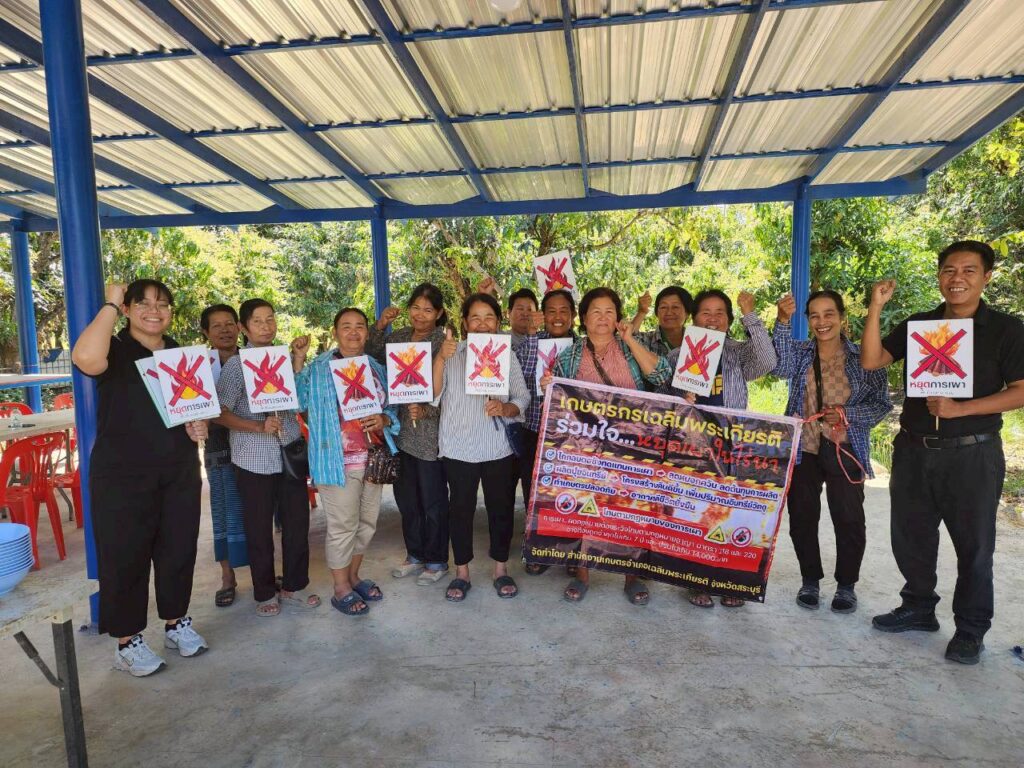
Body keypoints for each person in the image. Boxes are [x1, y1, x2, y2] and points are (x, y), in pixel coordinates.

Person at [861, 240, 1024, 665]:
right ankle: (918, 607)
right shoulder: (922, 324)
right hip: (914, 450)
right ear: (939, 276)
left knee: (975, 546)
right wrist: (875, 307)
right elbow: (872, 360)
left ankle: (971, 629)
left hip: (972, 454)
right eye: (949, 270)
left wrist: (961, 409)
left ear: (987, 277)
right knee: (911, 536)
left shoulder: (1007, 330)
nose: (958, 279)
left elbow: (1021, 391)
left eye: (969, 271)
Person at [71, 280, 209, 677]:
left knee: (178, 548)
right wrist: (111, 302)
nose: (154, 311)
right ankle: (127, 642)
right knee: (125, 556)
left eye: (163, 304)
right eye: (143, 303)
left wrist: (199, 424)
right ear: (128, 310)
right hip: (122, 474)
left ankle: (176, 623)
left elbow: (195, 407)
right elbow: (85, 359)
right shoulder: (113, 349)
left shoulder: (180, 353)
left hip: (178, 469)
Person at [544, 287, 673, 605]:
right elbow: (557, 402)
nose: (602, 318)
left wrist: (630, 339)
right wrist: (549, 386)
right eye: (596, 312)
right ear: (584, 318)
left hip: (632, 445)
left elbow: (662, 375)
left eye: (609, 312)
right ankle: (582, 574)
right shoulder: (569, 356)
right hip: (586, 448)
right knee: (585, 510)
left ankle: (632, 576)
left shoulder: (632, 347)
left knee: (631, 511)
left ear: (618, 318)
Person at [773, 290, 891, 613]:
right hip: (804, 447)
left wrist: (846, 414)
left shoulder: (865, 357)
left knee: (849, 518)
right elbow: (779, 367)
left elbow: (881, 404)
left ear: (842, 317)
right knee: (802, 516)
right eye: (814, 315)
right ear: (808, 320)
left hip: (846, 448)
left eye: (829, 314)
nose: (822, 322)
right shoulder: (801, 353)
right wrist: (782, 321)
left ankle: (846, 586)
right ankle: (809, 580)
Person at [662, 288, 777, 608]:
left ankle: (730, 582)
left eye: (720, 313)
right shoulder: (677, 356)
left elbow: (767, 361)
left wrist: (750, 314)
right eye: (705, 313)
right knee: (696, 512)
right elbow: (661, 398)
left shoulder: (738, 353)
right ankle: (695, 580)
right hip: (693, 446)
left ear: (728, 320)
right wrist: (680, 398)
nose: (712, 319)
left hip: (733, 445)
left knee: (731, 512)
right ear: (693, 318)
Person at [215, 299, 320, 617]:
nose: (266, 326)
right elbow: (219, 412)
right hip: (252, 458)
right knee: (258, 528)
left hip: (289, 452)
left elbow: (301, 402)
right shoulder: (236, 366)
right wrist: (257, 426)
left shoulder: (284, 360)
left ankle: (294, 586)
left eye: (270, 319)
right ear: (244, 328)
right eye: (257, 321)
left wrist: (298, 360)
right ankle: (264, 592)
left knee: (297, 523)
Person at [295, 307, 400, 616]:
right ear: (335, 332)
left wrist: (383, 419)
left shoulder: (376, 368)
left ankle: (354, 577)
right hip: (335, 460)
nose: (353, 332)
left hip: (372, 460)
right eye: (346, 326)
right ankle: (340, 587)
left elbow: (393, 408)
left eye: (359, 326)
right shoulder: (319, 368)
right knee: (343, 526)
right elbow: (298, 401)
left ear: (367, 332)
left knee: (366, 524)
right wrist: (298, 360)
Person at [432, 293, 531, 602]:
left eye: (489, 317)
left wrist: (505, 408)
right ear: (465, 323)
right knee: (460, 510)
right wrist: (440, 359)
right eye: (475, 317)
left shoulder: (506, 355)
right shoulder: (451, 353)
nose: (482, 323)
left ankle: (500, 568)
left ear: (498, 322)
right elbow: (432, 395)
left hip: (496, 447)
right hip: (458, 447)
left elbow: (522, 397)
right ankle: (462, 572)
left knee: (500, 509)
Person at [367, 283, 451, 586]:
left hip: (431, 435)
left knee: (433, 502)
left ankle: (437, 560)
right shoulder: (399, 338)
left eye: (428, 309)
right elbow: (370, 356)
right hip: (399, 431)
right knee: (407, 501)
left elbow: (451, 390)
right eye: (416, 307)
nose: (420, 314)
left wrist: (427, 410)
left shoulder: (443, 341)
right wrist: (381, 325)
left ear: (438, 313)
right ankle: (415, 555)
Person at [513, 288, 578, 573]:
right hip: (535, 430)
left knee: (570, 494)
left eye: (564, 311)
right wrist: (532, 333)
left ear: (574, 316)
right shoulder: (532, 341)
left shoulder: (583, 346)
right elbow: (520, 374)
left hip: (572, 436)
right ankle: (538, 551)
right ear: (543, 314)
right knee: (535, 494)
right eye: (551, 311)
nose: (558, 316)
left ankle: (572, 554)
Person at [199, 303, 248, 608]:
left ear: (239, 327)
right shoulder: (199, 367)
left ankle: (264, 573)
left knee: (255, 512)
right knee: (224, 512)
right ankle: (227, 577)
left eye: (229, 323)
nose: (225, 330)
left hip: (255, 446)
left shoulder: (254, 359)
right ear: (206, 332)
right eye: (216, 325)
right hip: (219, 448)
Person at [630, 286, 694, 355]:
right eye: (663, 307)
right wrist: (642, 312)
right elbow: (627, 340)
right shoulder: (646, 340)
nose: (669, 312)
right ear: (657, 313)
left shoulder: (696, 341)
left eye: (675, 307)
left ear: (687, 313)